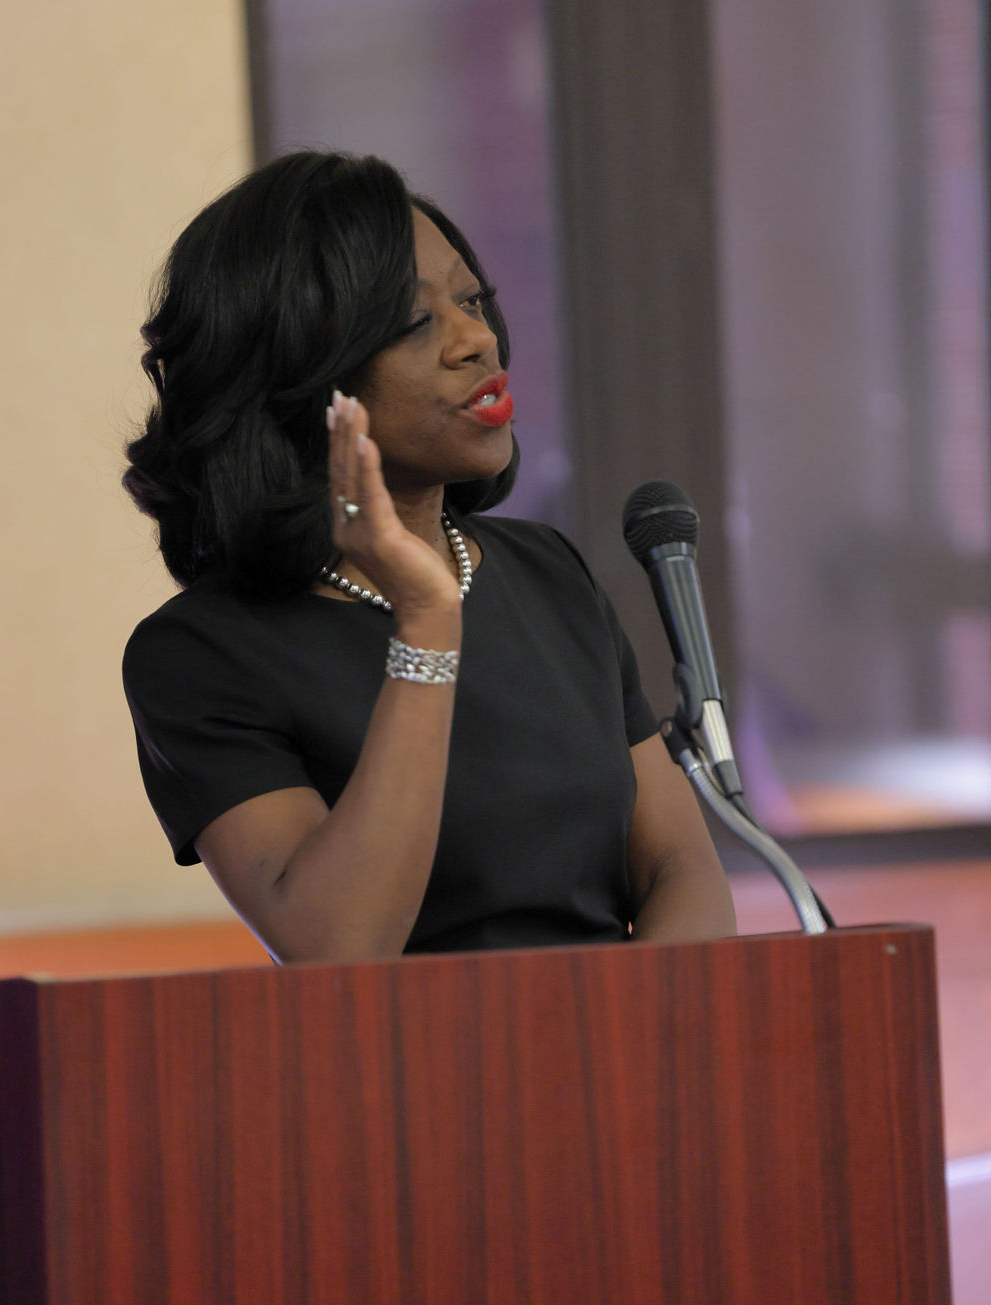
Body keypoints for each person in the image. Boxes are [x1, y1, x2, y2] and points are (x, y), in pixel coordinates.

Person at [122, 150, 736, 962]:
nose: (477, 339)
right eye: (416, 322)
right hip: (408, 1078)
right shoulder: (199, 656)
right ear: (296, 379)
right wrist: (426, 622)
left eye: (473, 300)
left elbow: (679, 864)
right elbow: (337, 945)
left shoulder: (550, 573)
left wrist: (637, 1043)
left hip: (618, 1060)